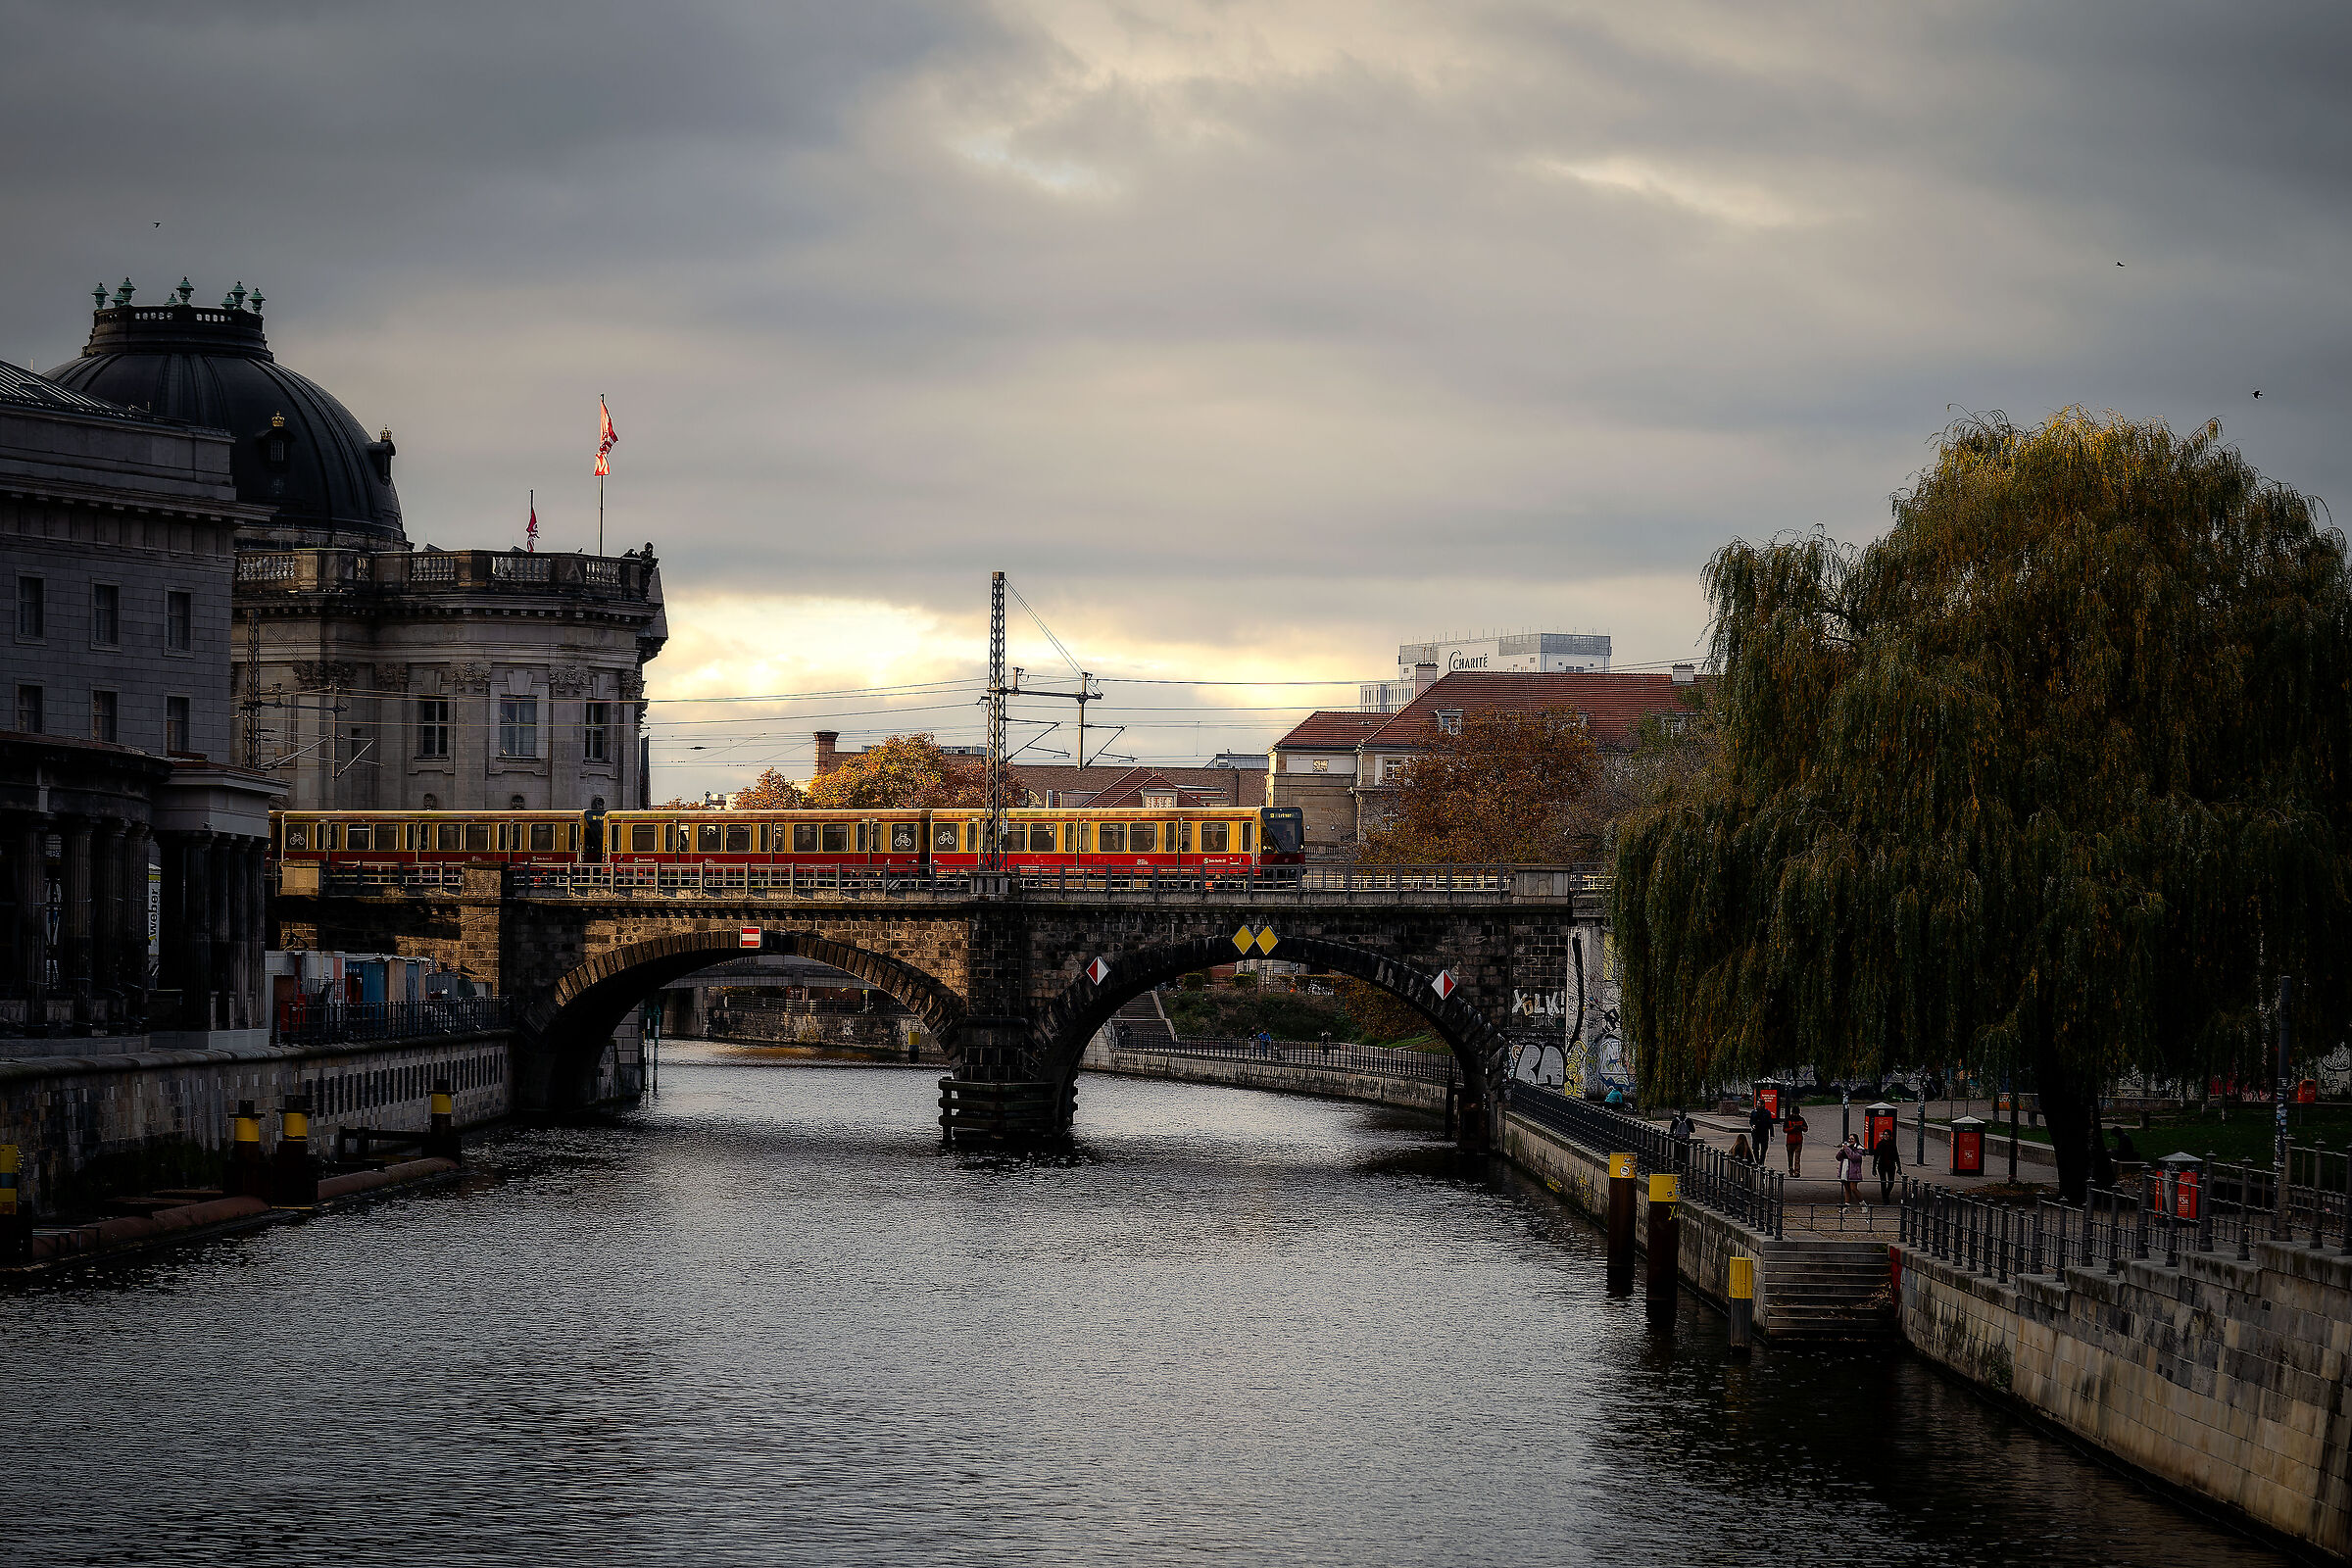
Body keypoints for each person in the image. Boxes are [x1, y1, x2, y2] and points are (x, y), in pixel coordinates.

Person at [1872, 1125, 1902, 1203]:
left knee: (1891, 1182)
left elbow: (1896, 1156)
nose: (1886, 1136)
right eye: (1884, 1135)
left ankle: (1886, 1194)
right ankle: (1885, 1198)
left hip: (1891, 1165)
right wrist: (1874, 1168)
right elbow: (1876, 1157)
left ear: (1890, 1136)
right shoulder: (1880, 1144)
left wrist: (1899, 1167)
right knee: (1883, 1181)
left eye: (1887, 1134)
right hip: (1882, 1165)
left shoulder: (1892, 1144)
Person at [1837, 1134, 1867, 1208]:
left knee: (1853, 1188)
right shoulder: (1847, 1148)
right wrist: (1842, 1150)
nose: (1850, 1140)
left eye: (1852, 1139)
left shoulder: (1859, 1149)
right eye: (1849, 1139)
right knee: (1847, 1188)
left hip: (1853, 1171)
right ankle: (1847, 1206)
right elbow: (1838, 1158)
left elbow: (1853, 1157)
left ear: (1856, 1140)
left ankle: (1863, 1204)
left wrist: (1847, 1149)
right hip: (1845, 1169)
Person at [1783, 1104, 1809, 1177]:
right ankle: (1791, 1170)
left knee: (1797, 1157)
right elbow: (1784, 1130)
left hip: (1798, 1141)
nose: (1796, 1115)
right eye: (1795, 1113)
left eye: (1797, 1113)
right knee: (1790, 1157)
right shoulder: (1788, 1119)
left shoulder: (1801, 1119)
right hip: (1790, 1141)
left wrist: (1801, 1127)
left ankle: (1797, 1171)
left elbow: (1806, 1128)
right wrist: (1792, 1128)